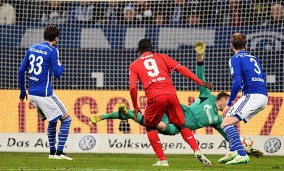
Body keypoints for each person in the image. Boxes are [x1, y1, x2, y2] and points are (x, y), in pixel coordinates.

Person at [90, 41, 264, 158]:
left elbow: (228, 135)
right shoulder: (207, 97)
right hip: (174, 109)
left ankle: (118, 114)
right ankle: (107, 116)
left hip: (174, 125)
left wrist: (243, 148)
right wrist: (200, 59)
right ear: (223, 98)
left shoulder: (219, 120)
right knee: (147, 118)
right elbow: (200, 75)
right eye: (228, 102)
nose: (229, 106)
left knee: (153, 123)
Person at [128, 38, 214, 167]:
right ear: (151, 48)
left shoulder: (134, 65)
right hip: (171, 94)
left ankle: (163, 160)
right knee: (181, 125)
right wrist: (200, 82)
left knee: (150, 126)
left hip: (155, 97)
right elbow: (182, 69)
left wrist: (135, 106)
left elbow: (133, 87)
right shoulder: (162, 57)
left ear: (138, 50)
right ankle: (197, 150)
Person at [18, 25, 73, 160]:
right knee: (66, 119)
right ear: (56, 38)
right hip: (45, 94)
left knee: (53, 120)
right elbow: (57, 73)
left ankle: (52, 153)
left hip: (32, 94)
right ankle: (59, 153)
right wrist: (62, 65)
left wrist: (22, 91)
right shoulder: (53, 50)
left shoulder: (32, 48)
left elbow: (21, 71)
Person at [219, 33, 268, 165]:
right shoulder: (254, 58)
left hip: (252, 95)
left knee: (226, 123)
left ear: (231, 45)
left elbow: (237, 84)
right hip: (263, 95)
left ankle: (241, 154)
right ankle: (233, 150)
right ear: (245, 45)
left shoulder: (235, 59)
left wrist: (229, 103)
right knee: (228, 118)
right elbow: (263, 77)